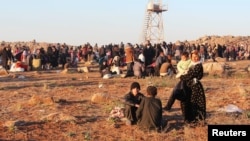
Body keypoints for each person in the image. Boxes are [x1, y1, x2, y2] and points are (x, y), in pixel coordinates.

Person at [179, 50, 206, 125]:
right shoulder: (192, 65)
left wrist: (181, 77)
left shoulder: (198, 65)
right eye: (193, 57)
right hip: (189, 86)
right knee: (188, 102)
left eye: (196, 57)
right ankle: (189, 119)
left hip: (195, 87)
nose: (195, 58)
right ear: (191, 57)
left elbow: (191, 75)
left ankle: (196, 119)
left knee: (195, 102)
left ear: (199, 57)